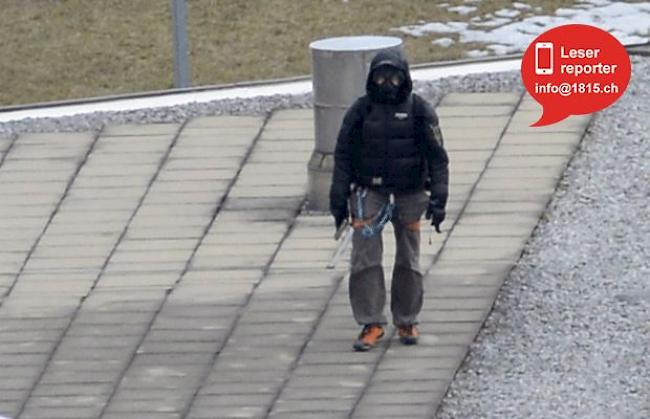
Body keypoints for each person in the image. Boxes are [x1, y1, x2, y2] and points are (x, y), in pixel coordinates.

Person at [329, 49, 449, 352]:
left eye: (394, 77)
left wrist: (439, 196)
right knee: (365, 257)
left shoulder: (420, 110)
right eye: (381, 77)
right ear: (371, 78)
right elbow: (342, 155)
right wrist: (338, 196)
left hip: (410, 193)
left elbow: (437, 157)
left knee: (409, 258)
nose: (388, 84)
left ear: (405, 78)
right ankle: (371, 322)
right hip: (370, 193)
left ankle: (407, 319)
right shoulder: (359, 112)